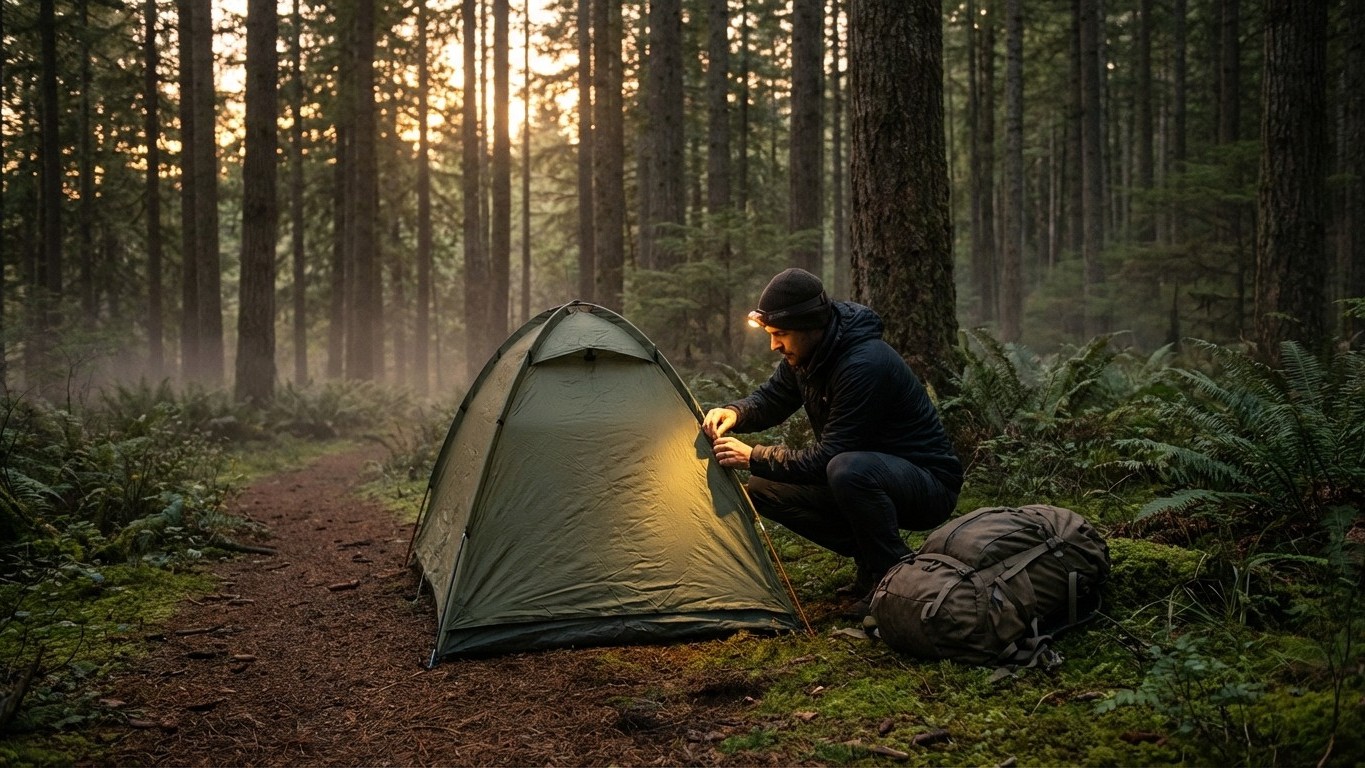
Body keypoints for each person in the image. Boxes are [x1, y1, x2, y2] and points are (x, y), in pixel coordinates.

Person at [702, 268, 963, 612]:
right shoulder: (809, 355)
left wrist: (754, 456)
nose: (774, 345)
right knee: (763, 489)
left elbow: (830, 457)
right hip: (868, 476)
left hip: (927, 484)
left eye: (780, 334)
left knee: (846, 468)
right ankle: (871, 561)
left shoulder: (864, 363)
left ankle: (894, 575)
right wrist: (735, 412)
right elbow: (771, 400)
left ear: (811, 326)